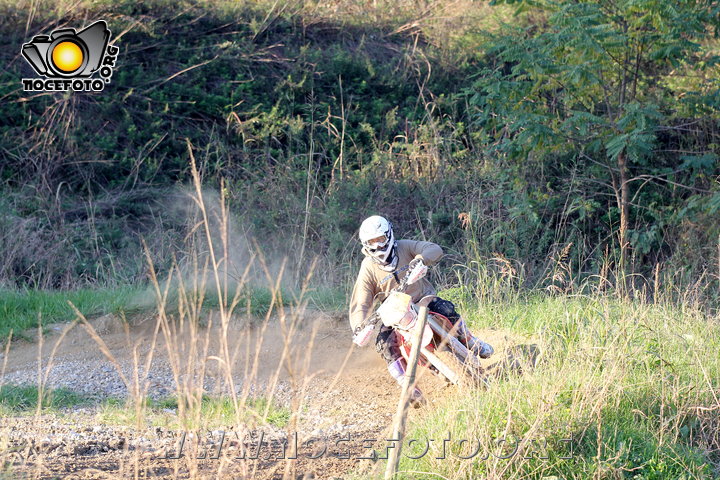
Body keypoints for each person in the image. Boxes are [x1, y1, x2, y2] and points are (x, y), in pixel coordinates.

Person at [349, 215, 493, 406]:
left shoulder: (405, 246)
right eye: (371, 242)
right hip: (395, 313)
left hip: (422, 300)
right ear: (365, 245)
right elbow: (361, 303)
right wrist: (360, 326)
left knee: (446, 308)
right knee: (384, 343)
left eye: (380, 240)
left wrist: (420, 261)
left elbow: (434, 248)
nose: (377, 246)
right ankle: (408, 386)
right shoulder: (368, 267)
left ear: (389, 235)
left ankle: (471, 341)